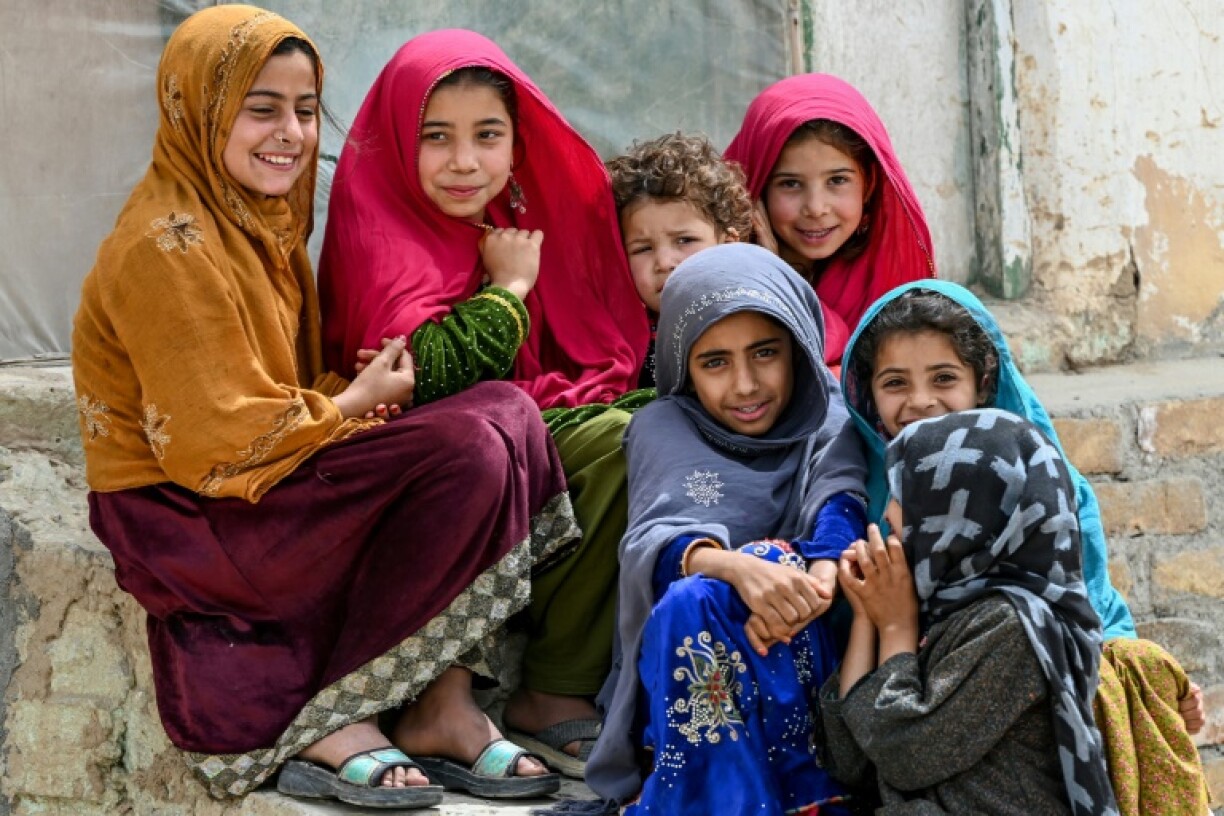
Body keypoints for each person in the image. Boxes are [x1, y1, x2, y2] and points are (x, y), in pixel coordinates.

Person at [71, 6, 574, 808]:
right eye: (260, 108)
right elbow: (216, 446)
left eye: (306, 111)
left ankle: (438, 705)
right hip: (191, 518)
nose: (292, 133)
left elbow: (273, 392)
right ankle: (333, 709)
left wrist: (350, 398)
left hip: (264, 479)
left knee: (505, 411)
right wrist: (353, 403)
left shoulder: (259, 224)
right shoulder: (165, 247)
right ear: (196, 110)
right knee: (469, 447)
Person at [318, 31, 653, 779]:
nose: (465, 162)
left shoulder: (514, 223)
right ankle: (534, 686)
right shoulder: (383, 223)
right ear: (399, 143)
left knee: (644, 431)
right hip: (414, 460)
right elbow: (422, 374)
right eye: (436, 137)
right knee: (611, 441)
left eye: (487, 135)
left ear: (517, 143)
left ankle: (547, 688)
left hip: (501, 429)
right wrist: (509, 292)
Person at [842, 281, 1211, 815]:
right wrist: (870, 615)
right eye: (895, 383)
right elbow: (862, 744)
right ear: (866, 393)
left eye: (944, 378)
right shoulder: (854, 484)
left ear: (984, 383)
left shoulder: (1029, 486)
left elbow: (1084, 607)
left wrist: (1141, 692)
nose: (920, 401)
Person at [585, 243, 867, 815]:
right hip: (695, 641)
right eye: (715, 362)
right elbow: (653, 543)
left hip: (808, 635)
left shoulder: (831, 414)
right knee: (697, 597)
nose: (744, 385)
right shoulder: (663, 427)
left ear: (800, 349)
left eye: (765, 353)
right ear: (682, 366)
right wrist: (739, 569)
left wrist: (806, 586)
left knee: (769, 561)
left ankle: (793, 793)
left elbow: (840, 503)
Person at [823, 408, 1119, 814]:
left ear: (966, 516)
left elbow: (906, 755)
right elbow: (850, 757)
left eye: (908, 493)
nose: (887, 513)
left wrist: (895, 627)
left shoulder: (1015, 626)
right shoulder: (936, 609)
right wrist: (866, 618)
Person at [723, 73, 935, 369]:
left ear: (869, 183)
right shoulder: (723, 276)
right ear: (755, 186)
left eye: (837, 180)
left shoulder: (885, 278)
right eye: (790, 184)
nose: (816, 208)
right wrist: (769, 275)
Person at [606, 132, 752, 388]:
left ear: (729, 245)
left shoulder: (755, 318)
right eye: (643, 249)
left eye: (684, 241)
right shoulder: (620, 343)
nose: (664, 262)